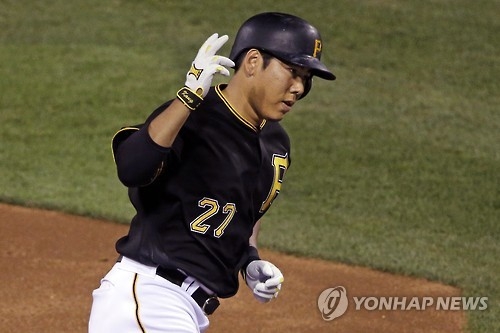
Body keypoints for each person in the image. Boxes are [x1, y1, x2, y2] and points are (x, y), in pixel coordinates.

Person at [88, 11, 335, 333]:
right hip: (149, 297)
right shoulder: (194, 116)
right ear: (252, 61)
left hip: (187, 309)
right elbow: (133, 169)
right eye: (292, 71)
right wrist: (188, 97)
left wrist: (249, 259)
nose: (299, 87)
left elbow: (245, 214)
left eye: (306, 78)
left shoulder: (276, 142)